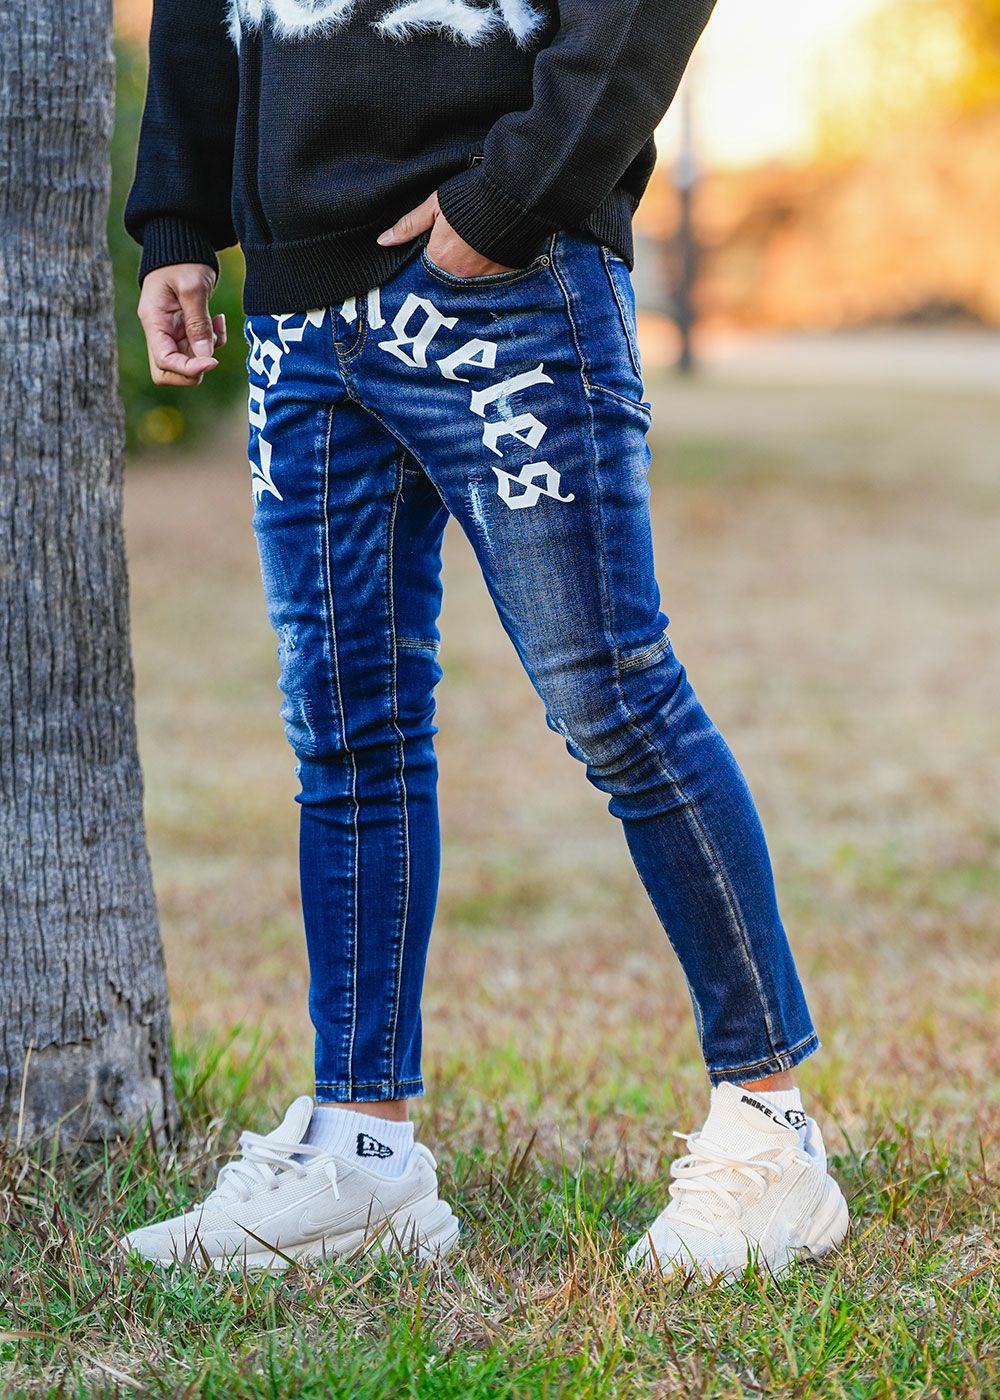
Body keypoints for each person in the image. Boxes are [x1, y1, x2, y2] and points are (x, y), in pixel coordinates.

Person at [122, 0, 849, 1279]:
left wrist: (512, 196)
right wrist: (178, 216)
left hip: (509, 278)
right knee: (345, 733)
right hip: (300, 303)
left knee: (611, 696)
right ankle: (363, 1153)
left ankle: (770, 1130)